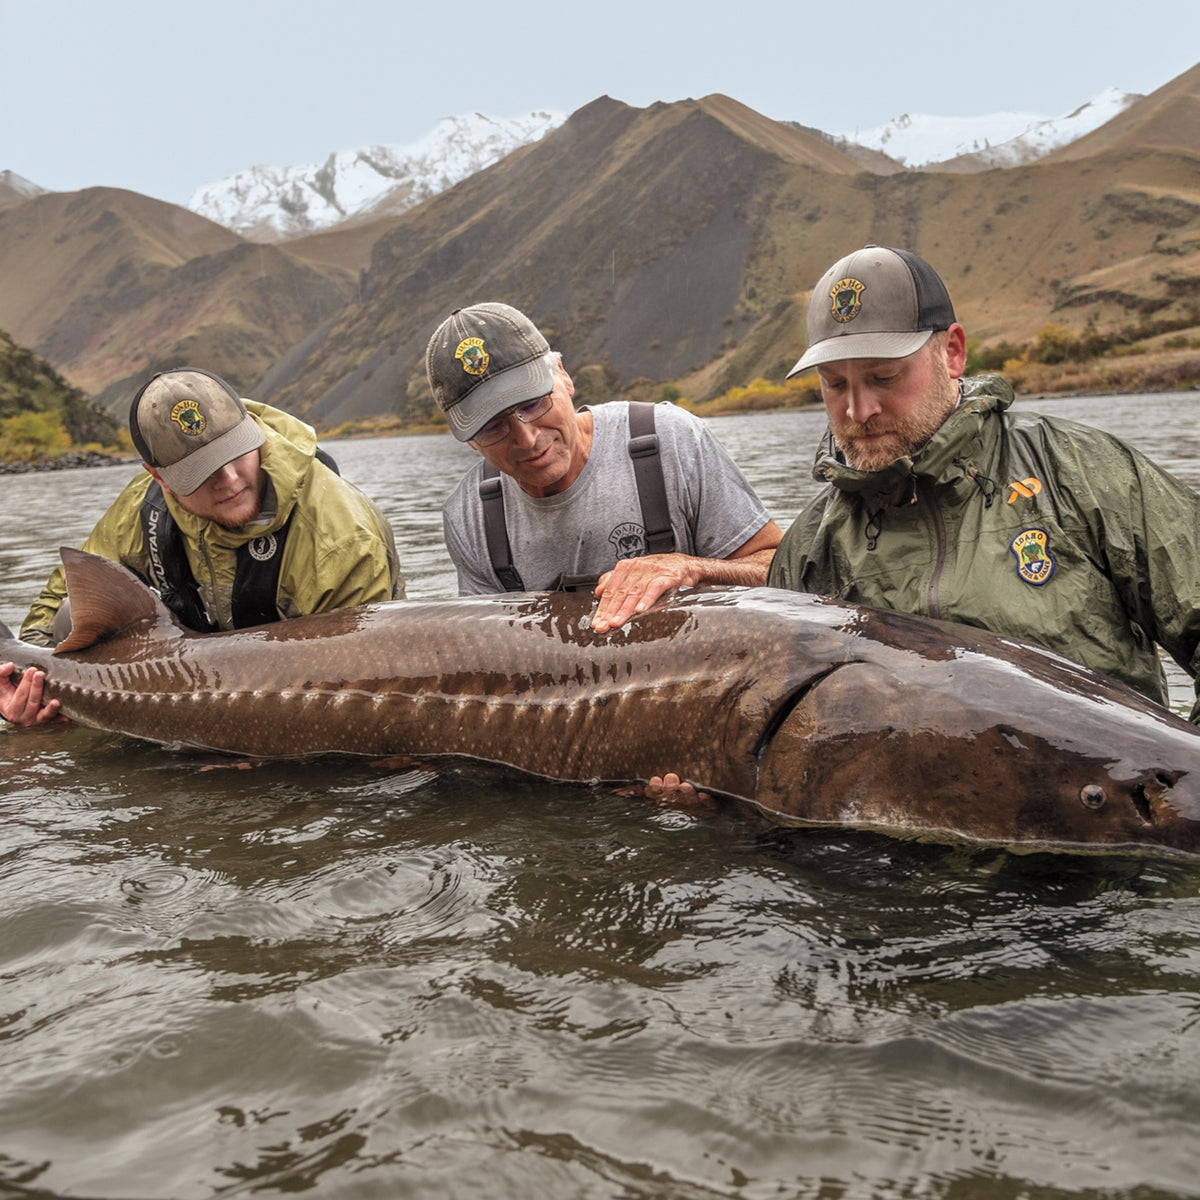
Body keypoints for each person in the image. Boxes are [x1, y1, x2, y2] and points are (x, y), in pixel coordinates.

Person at [767, 244, 1200, 720]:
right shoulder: (809, 549)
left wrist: (1180, 782)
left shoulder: (1085, 472)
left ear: (952, 352)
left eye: (884, 376)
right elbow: (791, 722)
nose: (858, 410)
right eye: (834, 384)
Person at [2, 367, 403, 727]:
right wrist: (28, 687)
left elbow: (362, 688)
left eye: (235, 452)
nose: (229, 479)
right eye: (202, 471)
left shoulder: (342, 537)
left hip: (297, 684)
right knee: (69, 618)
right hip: (194, 670)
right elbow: (47, 614)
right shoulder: (144, 506)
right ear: (158, 477)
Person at [426, 302, 782, 633]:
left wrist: (692, 568)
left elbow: (781, 570)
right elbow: (484, 646)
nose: (527, 438)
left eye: (533, 404)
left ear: (563, 376)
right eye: (492, 427)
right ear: (469, 438)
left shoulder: (670, 439)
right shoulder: (468, 516)